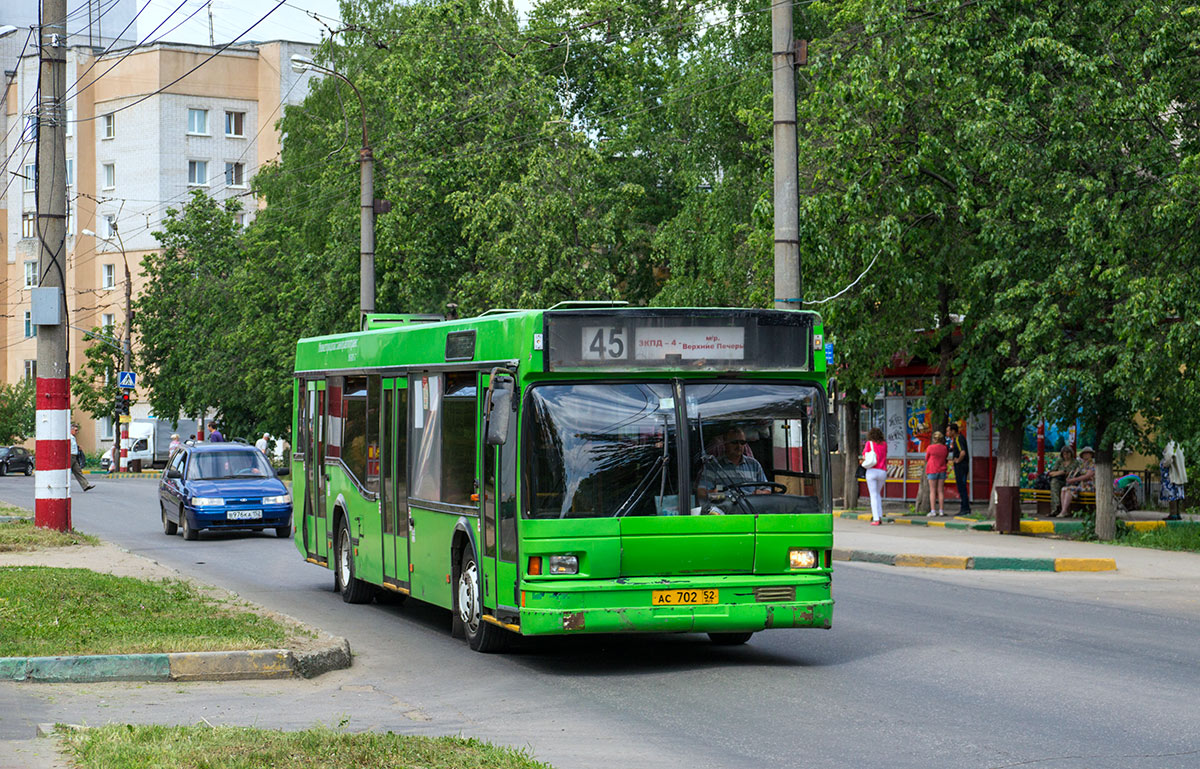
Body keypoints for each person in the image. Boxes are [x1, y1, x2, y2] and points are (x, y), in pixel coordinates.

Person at [698, 427, 770, 498]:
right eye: (735, 442)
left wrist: (760, 492)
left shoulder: (754, 465)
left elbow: (767, 490)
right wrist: (715, 494)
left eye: (742, 442)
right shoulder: (713, 465)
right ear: (725, 444)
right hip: (724, 507)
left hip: (749, 507)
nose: (739, 446)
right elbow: (701, 491)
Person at [1059, 446, 1096, 518]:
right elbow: (1076, 472)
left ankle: (1063, 511)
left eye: (1088, 454)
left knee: (1070, 490)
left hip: (1090, 486)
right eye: (1084, 454)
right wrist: (1070, 478)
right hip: (1081, 485)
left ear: (1091, 454)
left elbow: (1087, 476)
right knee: (1063, 489)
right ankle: (1064, 510)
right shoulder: (1082, 464)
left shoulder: (1093, 464)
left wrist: (1074, 480)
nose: (1086, 455)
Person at [862, 427, 888, 525]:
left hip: (872, 471)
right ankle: (880, 515)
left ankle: (876, 518)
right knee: (878, 494)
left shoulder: (869, 444)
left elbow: (864, 455)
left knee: (873, 495)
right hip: (882, 471)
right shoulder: (884, 444)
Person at [1046, 445, 1078, 517]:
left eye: (1068, 453)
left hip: (1070, 481)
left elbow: (1070, 473)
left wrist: (1060, 473)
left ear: (1071, 453)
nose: (1066, 455)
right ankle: (1056, 508)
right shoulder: (1059, 461)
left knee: (1059, 485)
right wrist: (1061, 472)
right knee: (1054, 483)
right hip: (1058, 479)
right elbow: (1051, 473)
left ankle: (1059, 508)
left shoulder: (1075, 462)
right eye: (1064, 453)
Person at [1160, 440, 1187, 520]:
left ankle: (1173, 514)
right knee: (1177, 494)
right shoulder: (1180, 444)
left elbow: (1169, 457)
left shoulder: (1171, 444)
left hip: (1172, 473)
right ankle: (1177, 513)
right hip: (1179, 473)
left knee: (1171, 494)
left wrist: (1164, 465)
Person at [947, 422, 970, 515]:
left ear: (953, 431)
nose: (947, 433)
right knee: (961, 487)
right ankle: (965, 508)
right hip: (962, 466)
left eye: (948, 431)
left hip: (961, 467)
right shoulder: (957, 439)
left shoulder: (958, 439)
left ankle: (965, 508)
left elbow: (963, 452)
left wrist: (957, 460)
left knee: (962, 487)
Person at [924, 430, 948, 517]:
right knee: (940, 491)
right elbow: (945, 457)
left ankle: (933, 511)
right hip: (942, 469)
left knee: (932, 491)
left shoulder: (930, 447)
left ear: (934, 439)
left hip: (932, 469)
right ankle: (941, 510)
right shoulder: (944, 448)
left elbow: (927, 458)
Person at [68, 423, 95, 491]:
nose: (77, 432)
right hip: (70, 456)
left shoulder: (73, 438)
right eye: (75, 430)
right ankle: (63, 485)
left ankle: (85, 485)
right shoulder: (69, 437)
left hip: (74, 457)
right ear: (71, 430)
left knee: (78, 471)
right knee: (67, 472)